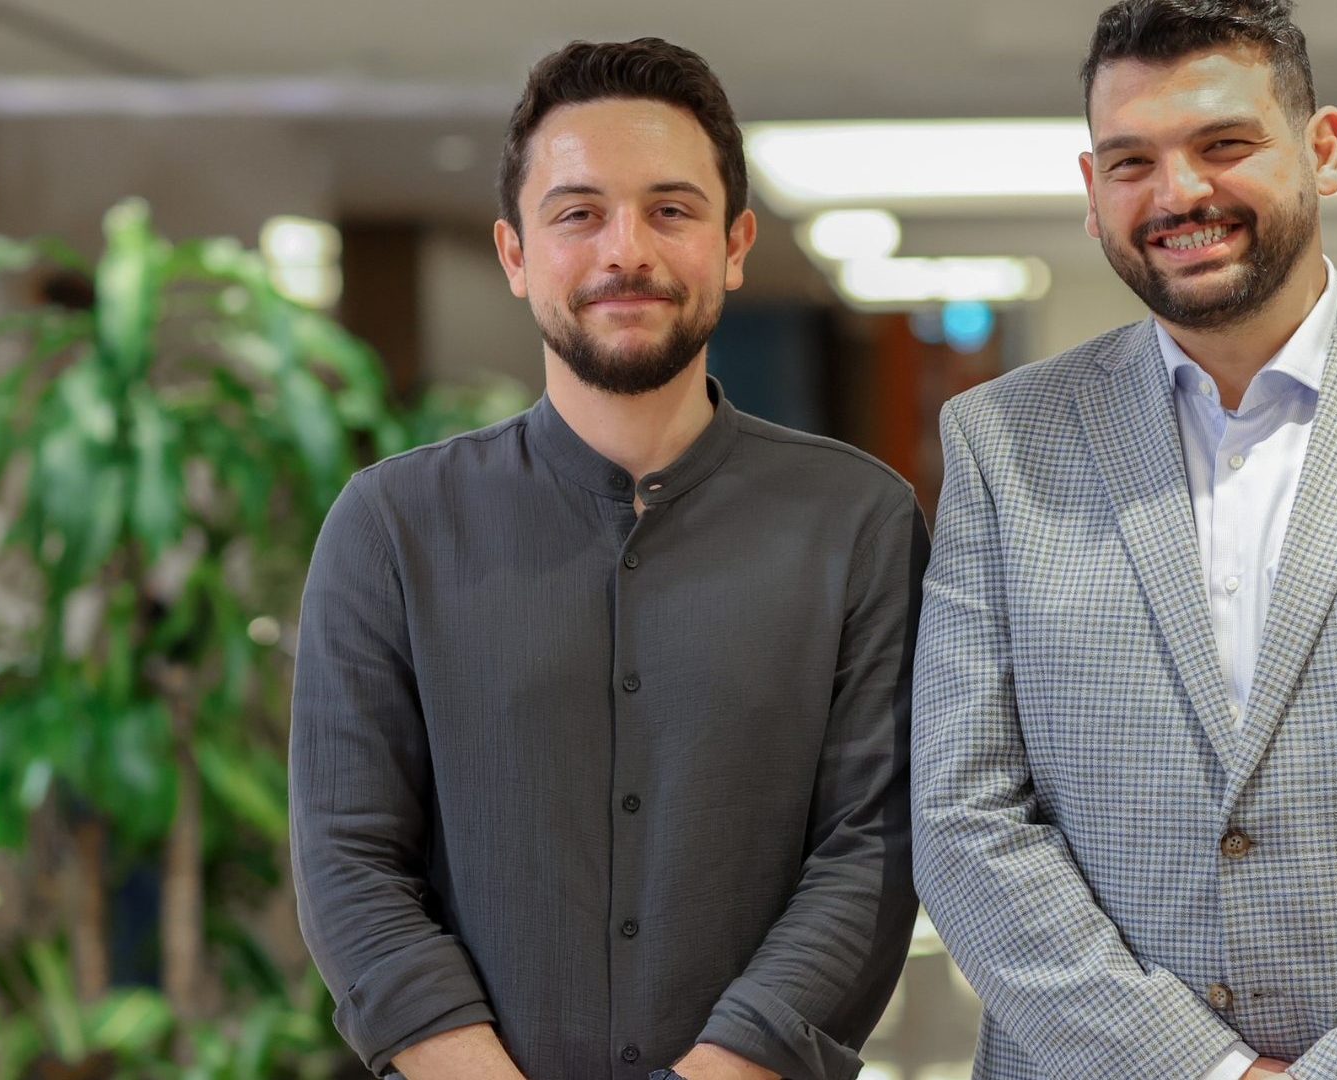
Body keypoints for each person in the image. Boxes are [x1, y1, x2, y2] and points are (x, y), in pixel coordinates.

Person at [910, 1, 1337, 1077]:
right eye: (1131, 160)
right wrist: (1206, 1072)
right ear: (1092, 188)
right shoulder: (1002, 441)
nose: (1177, 193)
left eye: (1224, 144)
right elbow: (965, 821)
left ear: (1322, 150)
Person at [290, 38, 925, 1080]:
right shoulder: (391, 526)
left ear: (735, 244)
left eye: (671, 210)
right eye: (578, 214)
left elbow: (874, 847)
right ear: (515, 254)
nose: (624, 251)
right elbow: (349, 860)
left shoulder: (859, 522)